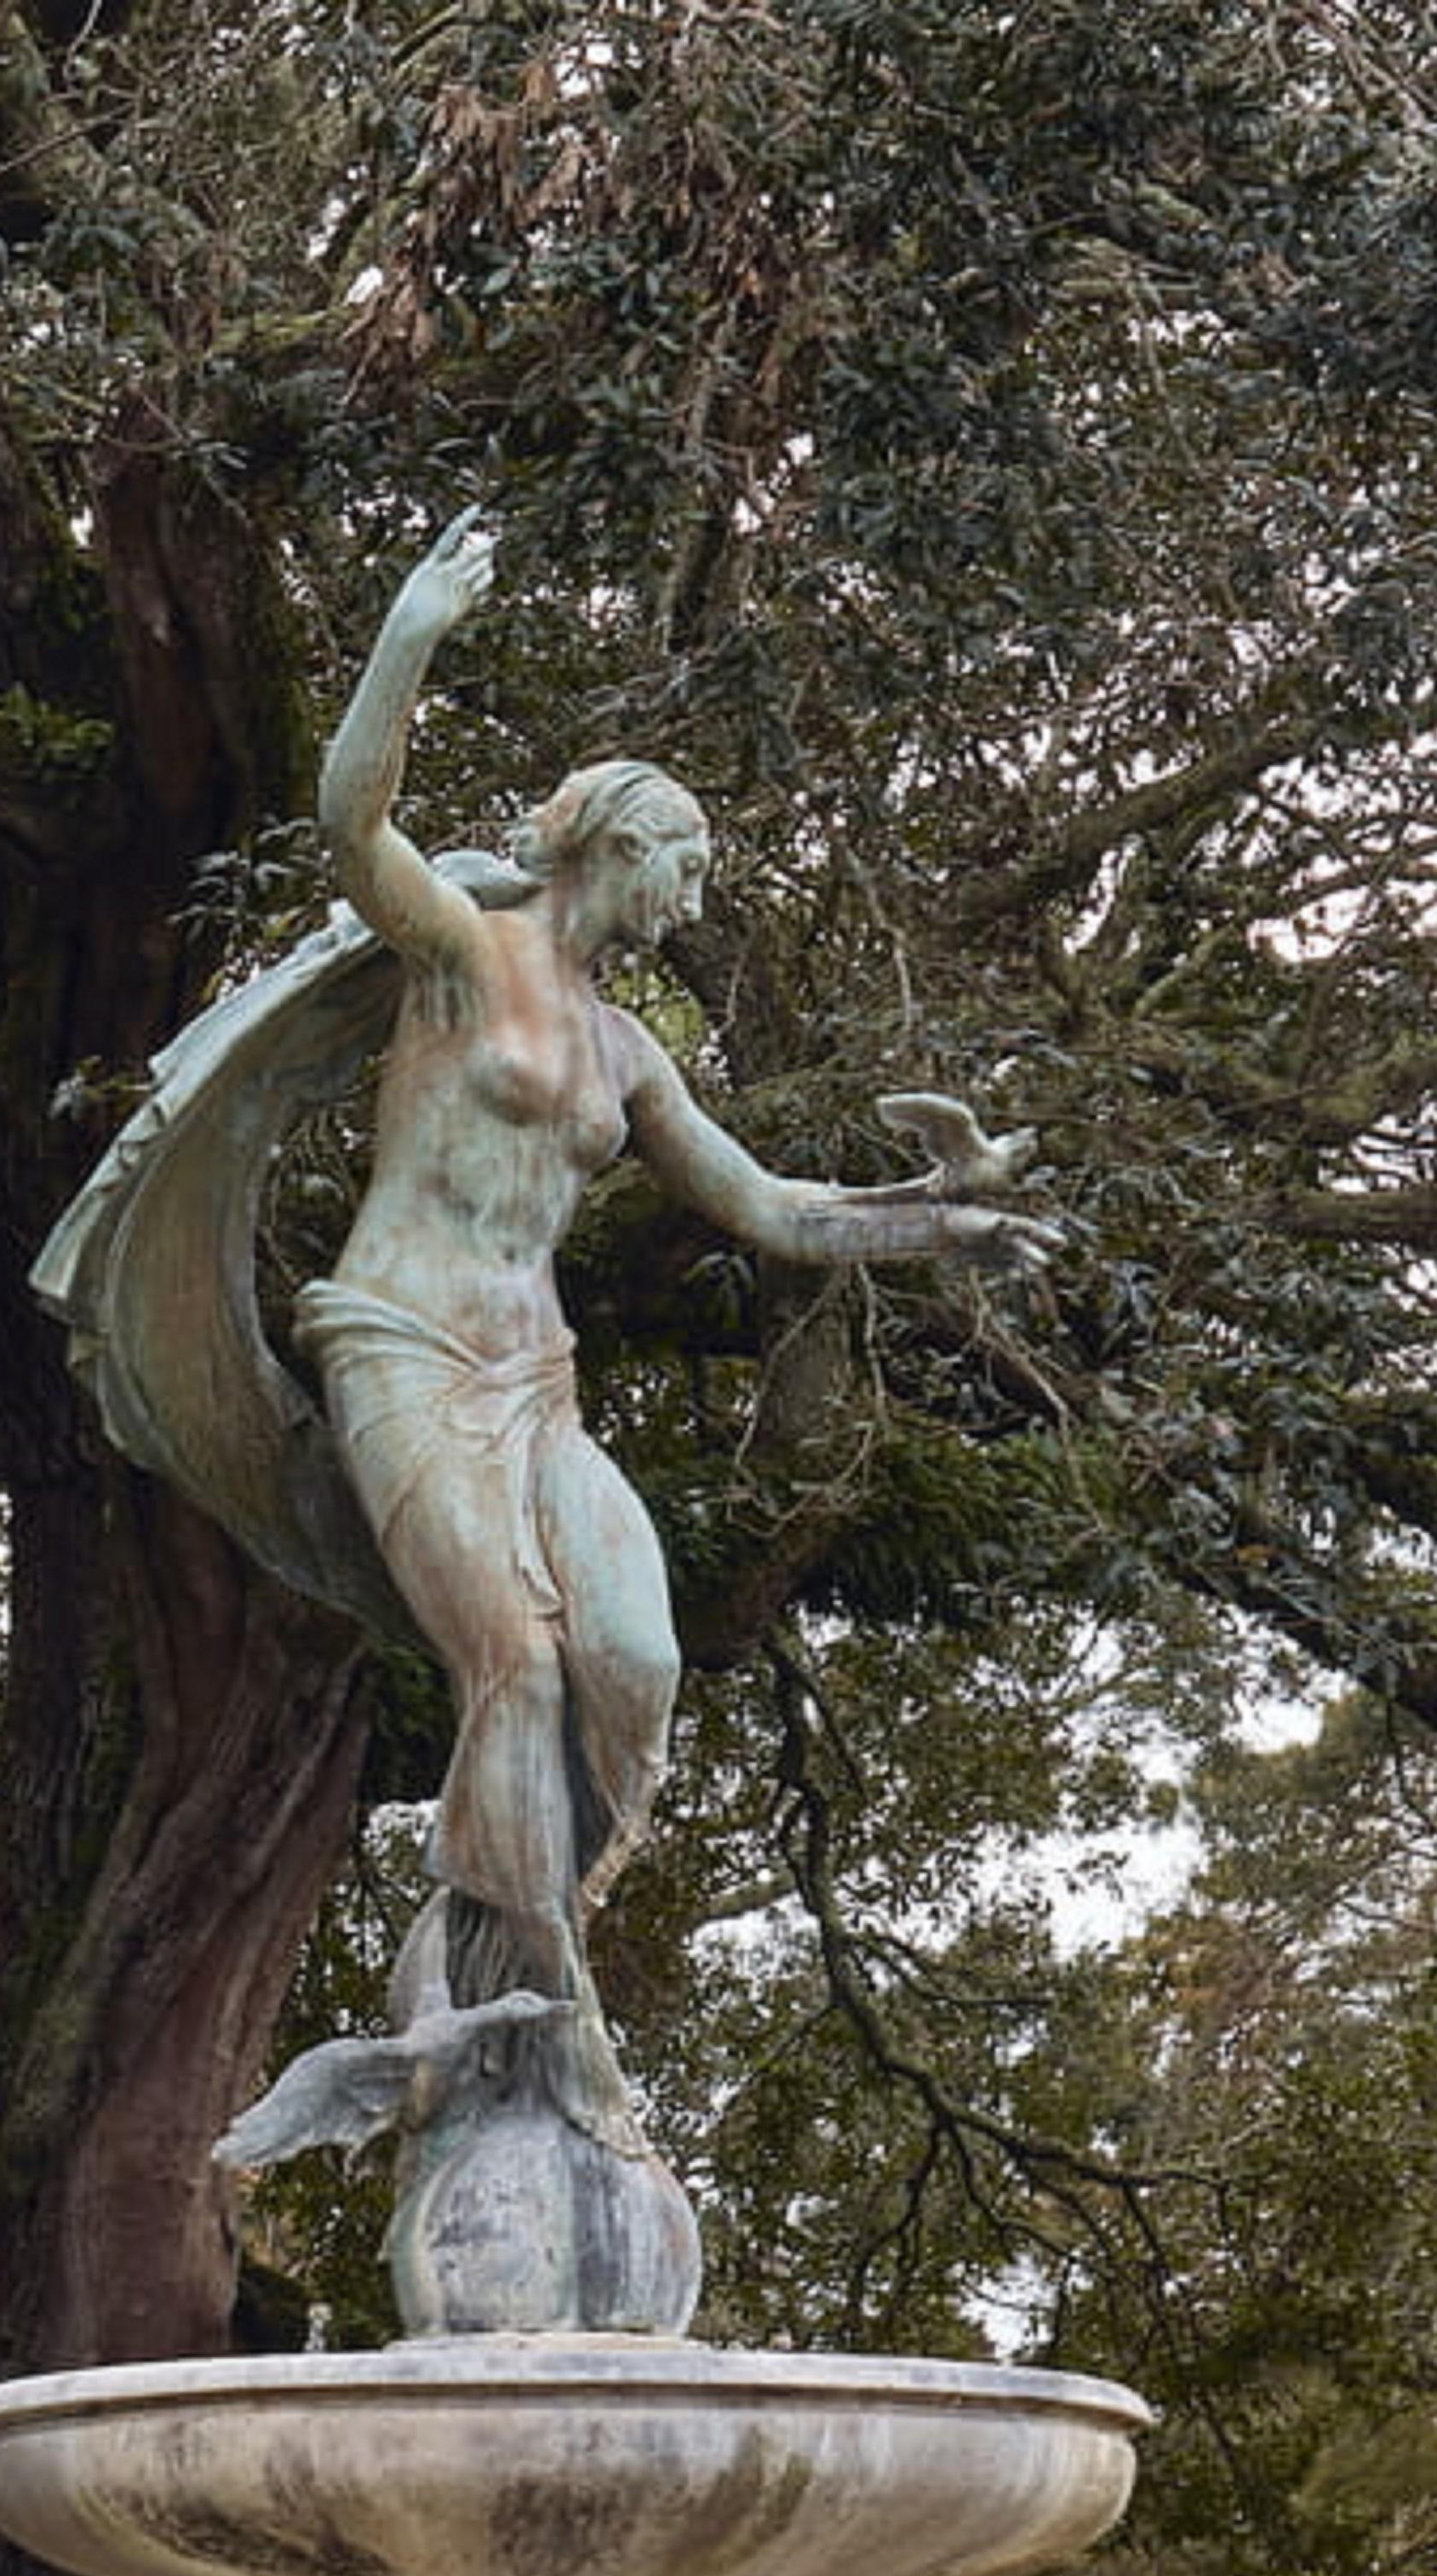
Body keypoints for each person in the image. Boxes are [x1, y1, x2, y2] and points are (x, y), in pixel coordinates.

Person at [301, 510, 1060, 2040]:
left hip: (537, 1380)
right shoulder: (465, 949)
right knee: (511, 1659)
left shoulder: (627, 1050)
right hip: (400, 1344)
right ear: (622, 847)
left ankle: (523, 1928)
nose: (695, 904)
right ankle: (523, 1997)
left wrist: (940, 1223)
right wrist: (410, 634)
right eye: (688, 869)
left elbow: (771, 1212)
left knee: (631, 1653)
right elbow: (348, 824)